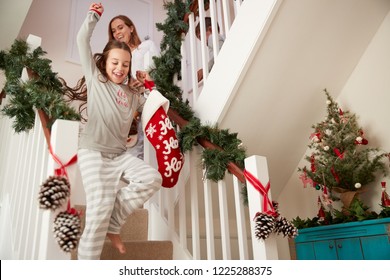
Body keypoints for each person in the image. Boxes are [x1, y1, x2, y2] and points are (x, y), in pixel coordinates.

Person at [76, 2, 162, 260]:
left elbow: (152, 107)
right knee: (99, 206)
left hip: (118, 155)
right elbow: (82, 39)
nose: (119, 68)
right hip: (92, 152)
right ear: (106, 62)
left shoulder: (132, 92)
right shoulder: (95, 78)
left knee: (152, 178)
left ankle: (114, 224)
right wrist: (93, 17)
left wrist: (145, 85)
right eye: (115, 62)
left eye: (125, 65)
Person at [108, 15, 160, 159]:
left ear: (131, 28)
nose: (117, 32)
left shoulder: (146, 46)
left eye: (120, 27)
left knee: (145, 147)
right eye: (113, 31)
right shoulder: (117, 58)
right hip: (126, 106)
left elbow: (160, 71)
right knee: (129, 149)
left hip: (146, 100)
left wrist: (146, 80)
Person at [195, 17, 225, 82]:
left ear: (211, 29)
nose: (202, 42)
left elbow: (221, 53)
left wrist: (205, 70)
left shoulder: (212, 38)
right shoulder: (219, 38)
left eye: (200, 37)